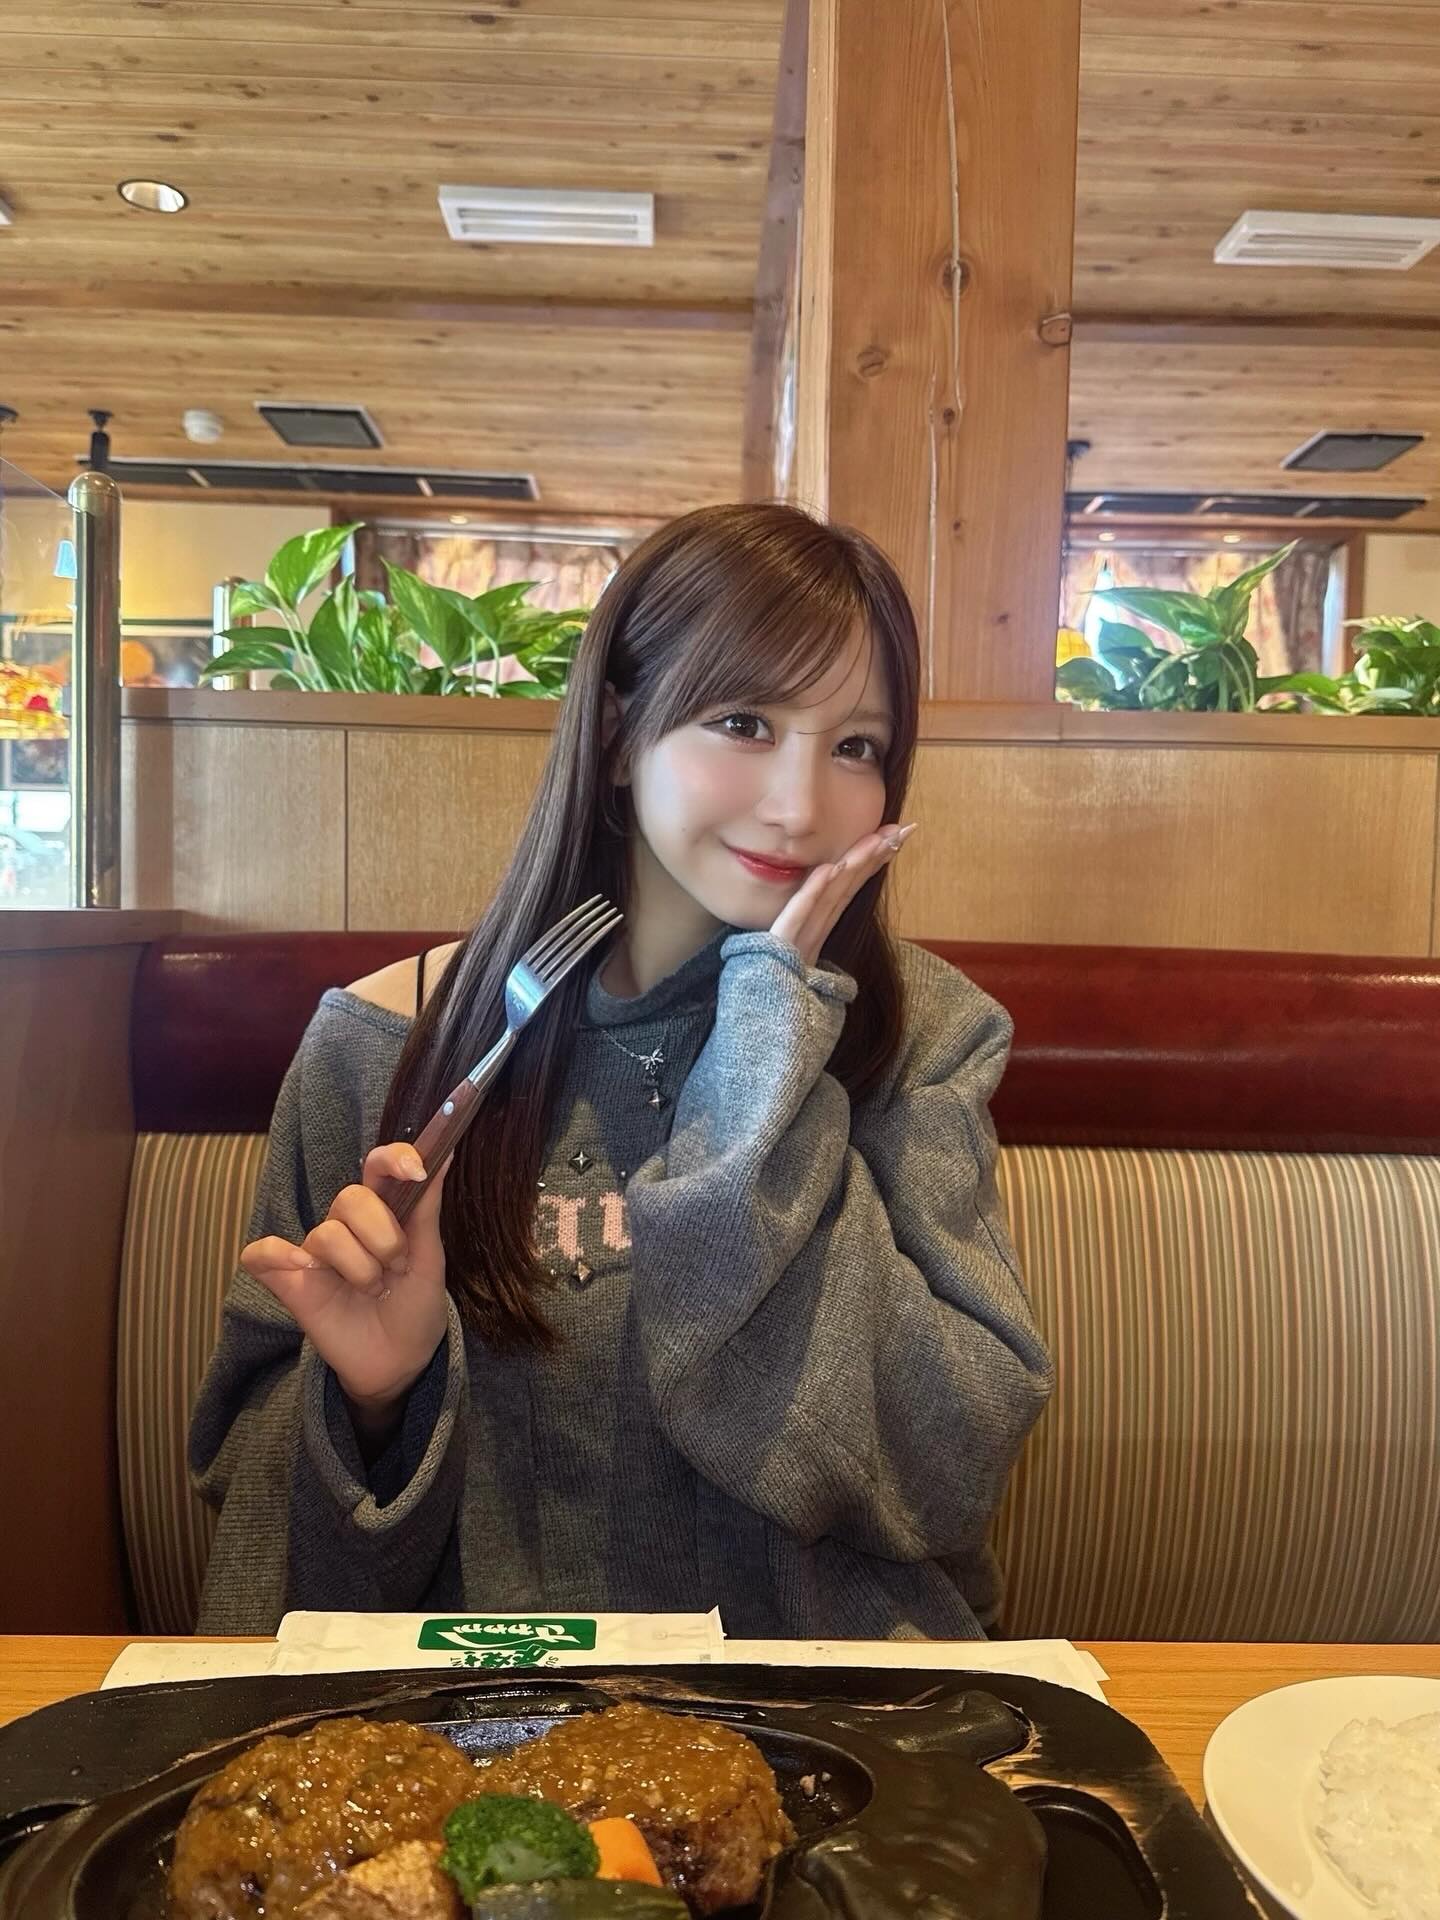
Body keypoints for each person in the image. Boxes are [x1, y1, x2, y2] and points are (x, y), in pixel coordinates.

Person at [190, 502, 1053, 1637]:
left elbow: (947, 1464)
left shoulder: (923, 1037)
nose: (801, 807)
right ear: (615, 733)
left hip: (830, 1711)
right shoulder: (382, 1043)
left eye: (857, 747)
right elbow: (253, 1520)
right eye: (744, 722)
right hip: (483, 1710)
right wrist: (377, 1399)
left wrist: (767, 1049)